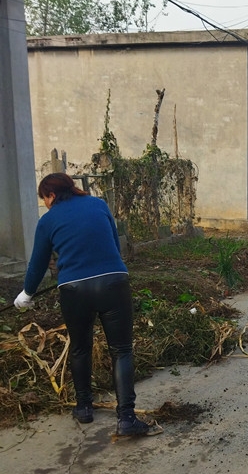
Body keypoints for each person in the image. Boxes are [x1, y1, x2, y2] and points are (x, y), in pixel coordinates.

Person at [13, 173, 157, 438]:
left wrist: (27, 293)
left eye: (44, 198)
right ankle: (127, 418)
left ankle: (84, 408)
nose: (45, 203)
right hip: (114, 282)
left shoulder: (47, 221)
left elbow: (38, 263)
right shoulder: (99, 204)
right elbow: (114, 245)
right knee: (122, 350)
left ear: (51, 195)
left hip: (74, 290)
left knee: (80, 348)